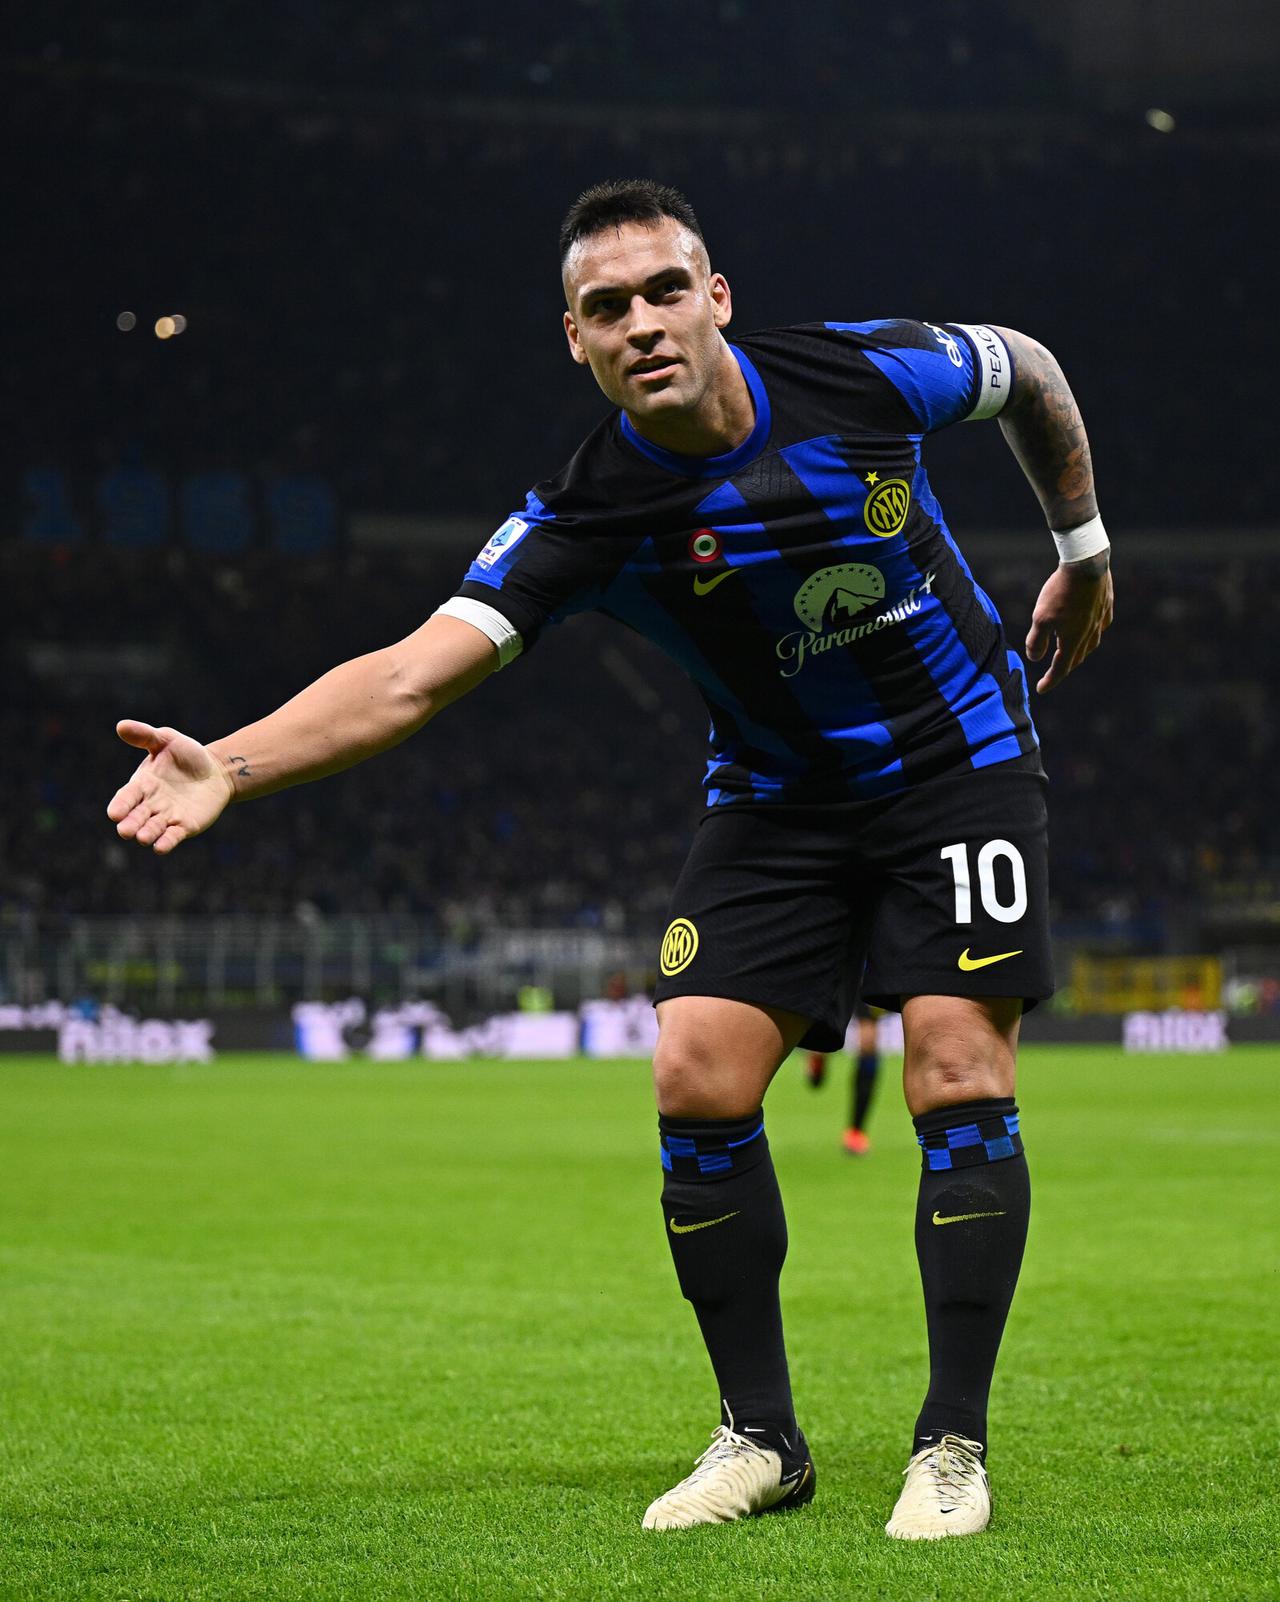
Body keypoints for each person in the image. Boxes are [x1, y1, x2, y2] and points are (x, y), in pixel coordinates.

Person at [107, 179, 1112, 1539]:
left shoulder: (866, 374)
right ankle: (761, 1437)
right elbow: (407, 676)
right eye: (605, 307)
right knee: (694, 1073)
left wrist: (1081, 551)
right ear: (573, 339)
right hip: (776, 801)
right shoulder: (587, 513)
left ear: (716, 298)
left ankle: (950, 1445)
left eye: (663, 290)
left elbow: (1030, 369)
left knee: (955, 1065)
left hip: (960, 761)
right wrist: (227, 763)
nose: (641, 321)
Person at [806, 1001, 881, 1155]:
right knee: (824, 1035)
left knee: (868, 1042)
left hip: (863, 986)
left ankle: (856, 1131)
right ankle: (818, 1054)